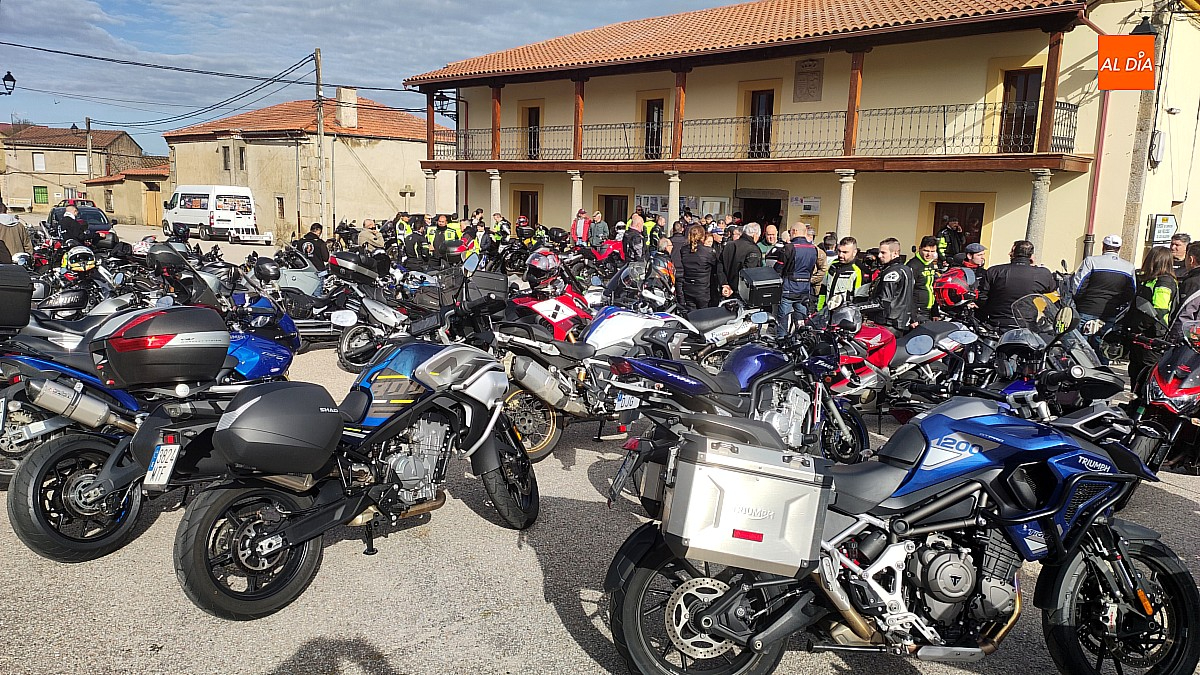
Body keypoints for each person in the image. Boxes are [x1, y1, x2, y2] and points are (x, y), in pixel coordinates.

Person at [1122, 246, 1178, 387]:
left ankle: (1143, 405)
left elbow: (1159, 310)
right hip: (1140, 337)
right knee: (1135, 372)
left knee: (1146, 375)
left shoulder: (1164, 282)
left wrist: (1140, 327)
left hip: (1152, 338)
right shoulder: (1150, 279)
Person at [976, 240, 1056, 332]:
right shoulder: (1043, 273)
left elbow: (982, 297)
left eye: (1011, 251)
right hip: (1028, 327)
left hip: (997, 325)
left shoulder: (994, 271)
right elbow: (1052, 298)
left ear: (1013, 254)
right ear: (1031, 256)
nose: (1009, 253)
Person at [1072, 233, 1136, 339]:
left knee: (1080, 347)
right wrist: (1117, 305)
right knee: (1102, 346)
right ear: (1119, 248)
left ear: (1103, 246)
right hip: (1110, 312)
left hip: (1087, 309)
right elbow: (1130, 293)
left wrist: (1079, 301)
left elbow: (1078, 286)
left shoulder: (1091, 261)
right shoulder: (1129, 267)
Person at [773, 222, 818, 335]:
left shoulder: (789, 248)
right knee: (802, 320)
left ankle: (782, 343)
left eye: (790, 231)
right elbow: (812, 269)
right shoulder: (813, 249)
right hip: (804, 290)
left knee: (783, 320)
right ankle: (802, 341)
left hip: (788, 289)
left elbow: (778, 268)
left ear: (794, 231)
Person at [865, 238, 915, 332]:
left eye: (883, 253)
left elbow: (882, 302)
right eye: (880, 252)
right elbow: (911, 297)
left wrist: (856, 307)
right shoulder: (907, 269)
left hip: (888, 324)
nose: (879, 255)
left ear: (895, 253)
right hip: (901, 323)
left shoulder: (892, 272)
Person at [676, 224, 718, 311]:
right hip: (703, 288)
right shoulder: (708, 251)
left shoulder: (684, 250)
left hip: (688, 287)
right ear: (703, 237)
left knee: (692, 315)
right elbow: (715, 268)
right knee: (704, 316)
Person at [717, 224, 763, 299]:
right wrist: (732, 288)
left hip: (727, 290)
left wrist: (724, 283)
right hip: (743, 294)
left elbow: (720, 266)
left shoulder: (729, 245)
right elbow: (749, 273)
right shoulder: (753, 250)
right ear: (755, 235)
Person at [819, 236, 864, 309]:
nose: (840, 255)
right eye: (839, 251)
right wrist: (820, 308)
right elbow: (824, 288)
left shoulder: (858, 270)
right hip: (827, 309)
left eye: (845, 252)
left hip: (844, 313)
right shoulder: (833, 265)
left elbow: (859, 298)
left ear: (854, 252)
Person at [908, 235, 940, 322]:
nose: (929, 254)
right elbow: (907, 292)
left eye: (932, 251)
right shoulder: (912, 266)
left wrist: (935, 312)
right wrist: (912, 317)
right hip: (917, 312)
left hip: (929, 310)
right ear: (920, 248)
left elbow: (932, 288)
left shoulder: (931, 264)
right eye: (926, 250)